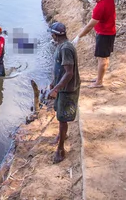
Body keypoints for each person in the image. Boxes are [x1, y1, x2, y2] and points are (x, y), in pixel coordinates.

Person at [46, 21, 80, 163]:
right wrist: (54, 82)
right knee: (59, 114)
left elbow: (69, 73)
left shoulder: (66, 48)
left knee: (62, 118)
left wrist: (57, 89)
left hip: (67, 89)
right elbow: (60, 69)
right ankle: (62, 135)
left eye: (52, 34)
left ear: (55, 35)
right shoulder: (61, 46)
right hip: (62, 87)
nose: (51, 36)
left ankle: (61, 149)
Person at [72, 0, 115, 88]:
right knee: (105, 57)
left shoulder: (98, 8)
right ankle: (100, 77)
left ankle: (99, 82)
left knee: (101, 59)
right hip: (111, 32)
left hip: (104, 34)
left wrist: (78, 37)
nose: (90, 0)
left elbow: (90, 26)